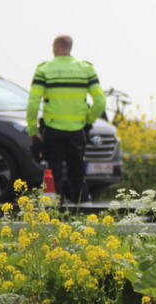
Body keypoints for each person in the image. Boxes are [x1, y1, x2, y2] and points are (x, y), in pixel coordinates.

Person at [26, 34, 106, 203]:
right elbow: (100, 102)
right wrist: (87, 121)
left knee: (54, 172)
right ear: (70, 48)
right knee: (77, 172)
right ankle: (82, 210)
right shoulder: (86, 69)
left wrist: (33, 130)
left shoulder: (44, 70)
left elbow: (33, 103)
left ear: (55, 47)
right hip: (77, 130)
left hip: (53, 129)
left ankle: (55, 210)